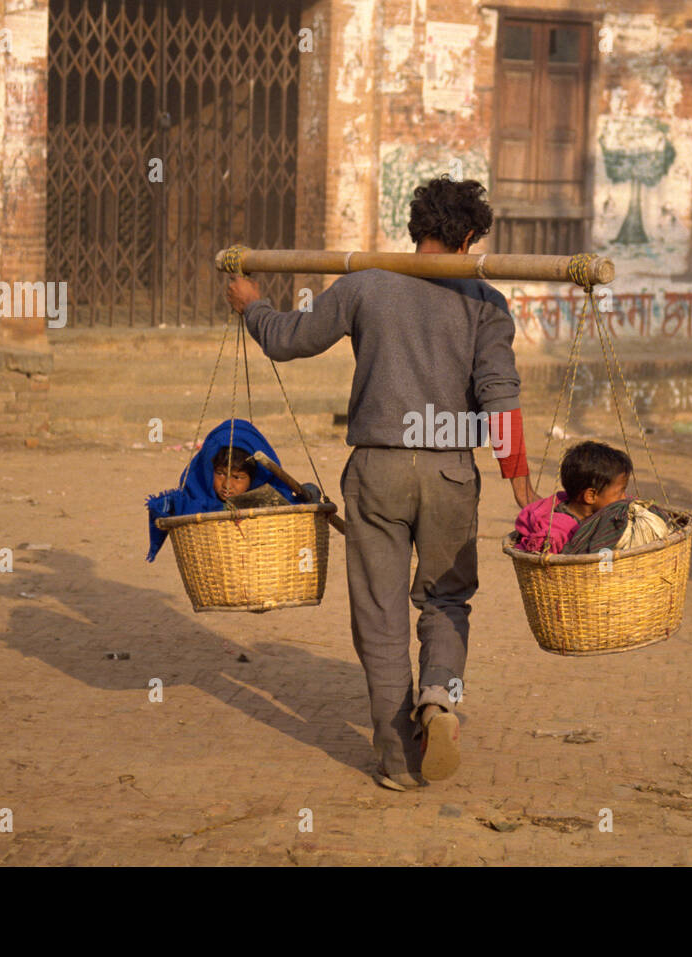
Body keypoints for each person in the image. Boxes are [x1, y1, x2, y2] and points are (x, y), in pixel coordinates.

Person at [225, 176, 535, 791]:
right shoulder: (486, 302)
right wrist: (521, 484)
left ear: (415, 228)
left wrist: (252, 304)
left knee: (380, 611)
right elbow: (499, 396)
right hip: (450, 471)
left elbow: (289, 341)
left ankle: (397, 760)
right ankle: (440, 699)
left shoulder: (364, 284)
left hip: (379, 468)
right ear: (470, 237)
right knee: (445, 599)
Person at [144, 419, 300, 562]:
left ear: (253, 478)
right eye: (220, 474)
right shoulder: (196, 503)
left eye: (237, 477)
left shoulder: (271, 501)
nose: (227, 485)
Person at [515, 441, 633, 553]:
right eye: (619, 492)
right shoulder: (559, 530)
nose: (624, 498)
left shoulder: (600, 510)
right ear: (590, 496)